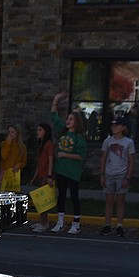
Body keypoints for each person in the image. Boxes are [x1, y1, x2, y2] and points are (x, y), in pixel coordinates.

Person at [50, 94, 86, 234]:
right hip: (61, 170)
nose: (68, 121)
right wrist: (56, 100)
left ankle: (76, 223)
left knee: (74, 196)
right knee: (61, 196)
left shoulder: (79, 138)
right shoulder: (62, 132)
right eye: (67, 119)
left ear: (76, 122)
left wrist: (65, 155)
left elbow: (80, 155)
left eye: (71, 119)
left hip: (73, 172)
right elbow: (53, 116)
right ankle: (60, 222)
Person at [99, 115, 135, 236]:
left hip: (122, 174)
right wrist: (102, 174)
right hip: (109, 174)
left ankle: (119, 225)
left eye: (117, 125)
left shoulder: (128, 142)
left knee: (120, 201)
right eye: (113, 125)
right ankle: (107, 224)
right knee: (109, 200)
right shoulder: (107, 141)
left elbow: (131, 161)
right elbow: (103, 158)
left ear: (123, 127)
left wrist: (128, 177)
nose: (114, 127)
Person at [29, 122, 55, 232]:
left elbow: (50, 159)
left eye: (40, 130)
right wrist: (34, 176)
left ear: (46, 131)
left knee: (43, 202)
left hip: (46, 175)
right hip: (40, 174)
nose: (37, 132)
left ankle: (44, 223)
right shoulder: (41, 144)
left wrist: (49, 175)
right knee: (40, 201)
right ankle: (42, 221)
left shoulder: (49, 144)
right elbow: (40, 162)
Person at [0, 125, 25, 193]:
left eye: (12, 132)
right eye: (9, 132)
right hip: (5, 172)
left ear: (17, 133)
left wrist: (19, 165)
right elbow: (4, 156)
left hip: (15, 173)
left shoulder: (22, 147)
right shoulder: (4, 144)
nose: (10, 134)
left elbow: (24, 161)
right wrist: (8, 143)